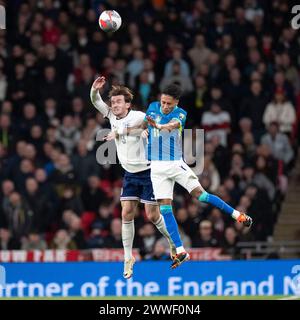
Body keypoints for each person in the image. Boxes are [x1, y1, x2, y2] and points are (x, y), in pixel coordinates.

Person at [143, 84, 253, 268]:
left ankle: (237, 215)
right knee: (165, 209)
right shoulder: (152, 107)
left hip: (175, 164)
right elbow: (146, 123)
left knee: (201, 195)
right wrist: (145, 129)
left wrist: (158, 125)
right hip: (156, 168)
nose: (164, 106)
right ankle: (180, 251)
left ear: (176, 103)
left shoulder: (180, 114)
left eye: (169, 103)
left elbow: (172, 126)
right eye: (163, 102)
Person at [90, 76, 175, 279]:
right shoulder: (111, 116)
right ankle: (128, 257)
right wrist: (94, 89)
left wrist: (139, 132)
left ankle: (173, 243)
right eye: (113, 102)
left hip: (148, 172)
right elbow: (95, 101)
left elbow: (154, 124)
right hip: (130, 173)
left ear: (127, 104)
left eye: (119, 101)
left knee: (153, 216)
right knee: (126, 213)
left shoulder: (138, 116)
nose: (115, 105)